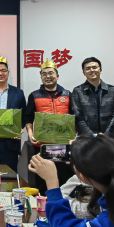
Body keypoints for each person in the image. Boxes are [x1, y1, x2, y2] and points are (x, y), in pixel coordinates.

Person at [23, 59, 75, 192]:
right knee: (42, 181)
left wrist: (73, 136)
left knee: (64, 179)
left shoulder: (68, 95)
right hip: (43, 146)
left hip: (62, 146)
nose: (48, 76)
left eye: (51, 73)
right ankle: (43, 204)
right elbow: (28, 118)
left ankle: (64, 203)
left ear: (57, 75)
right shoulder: (34, 95)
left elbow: (74, 118)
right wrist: (31, 134)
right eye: (44, 74)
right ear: (41, 77)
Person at [72, 57, 114, 137]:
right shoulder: (77, 91)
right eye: (88, 68)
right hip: (86, 138)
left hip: (109, 138)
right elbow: (78, 116)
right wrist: (92, 136)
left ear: (100, 70)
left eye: (94, 67)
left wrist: (107, 135)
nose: (91, 70)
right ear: (84, 72)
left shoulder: (112, 90)